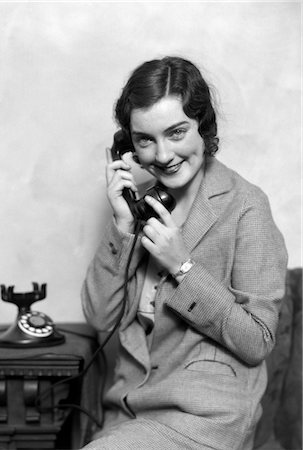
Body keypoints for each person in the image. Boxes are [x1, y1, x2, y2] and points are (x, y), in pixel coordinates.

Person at [81, 56, 288, 450]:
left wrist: (183, 266)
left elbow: (258, 340)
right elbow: (100, 317)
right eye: (145, 140)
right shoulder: (142, 206)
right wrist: (122, 225)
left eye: (176, 133)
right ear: (128, 146)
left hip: (205, 417)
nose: (161, 155)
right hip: (129, 412)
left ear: (202, 127)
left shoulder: (246, 207)